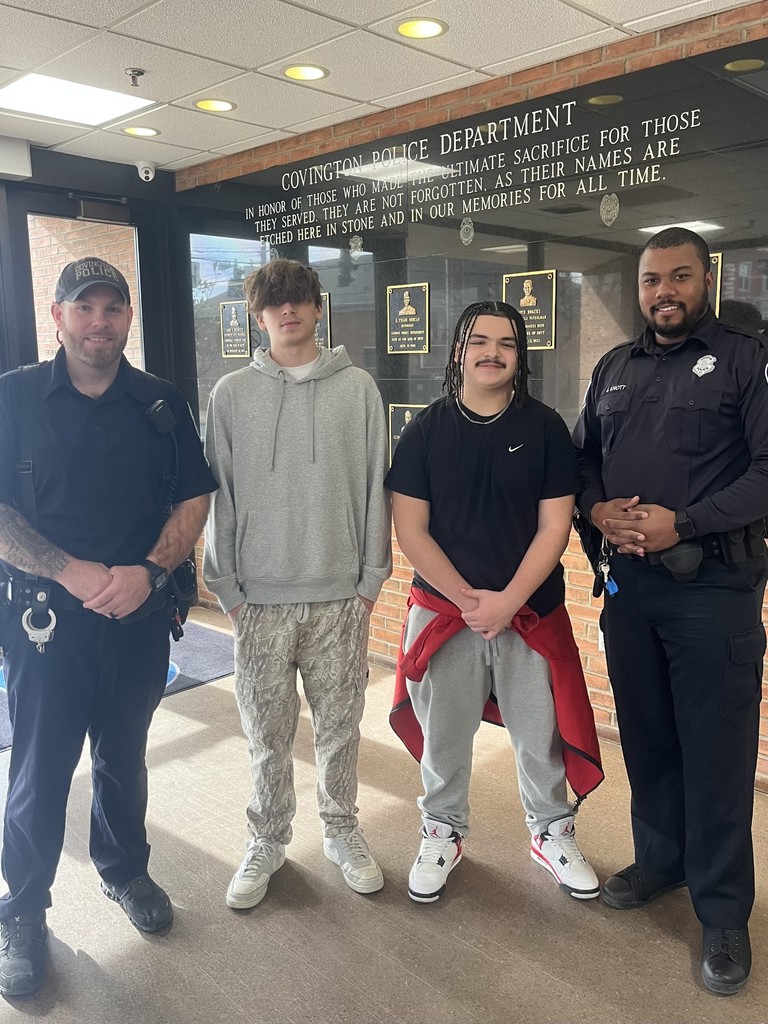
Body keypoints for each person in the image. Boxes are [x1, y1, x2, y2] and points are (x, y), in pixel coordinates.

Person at [0, 257, 216, 998]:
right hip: (45, 624)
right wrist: (70, 570)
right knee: (40, 765)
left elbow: (192, 498)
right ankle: (22, 911)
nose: (99, 321)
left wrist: (150, 573)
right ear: (57, 316)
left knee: (124, 755)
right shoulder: (14, 398)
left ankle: (124, 871)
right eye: (83, 307)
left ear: (128, 318)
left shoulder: (160, 403)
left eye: (112, 308)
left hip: (138, 619)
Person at [573, 226, 768, 996]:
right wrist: (596, 510)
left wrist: (682, 523)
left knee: (716, 755)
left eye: (680, 277)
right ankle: (660, 864)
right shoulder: (614, 367)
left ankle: (723, 912)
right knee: (647, 737)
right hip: (631, 590)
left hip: (713, 592)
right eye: (653, 280)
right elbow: (582, 457)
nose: (664, 292)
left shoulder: (746, 361)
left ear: (706, 279)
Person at [385, 300, 603, 905]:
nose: (492, 352)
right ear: (458, 350)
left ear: (520, 355)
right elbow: (412, 531)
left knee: (541, 735)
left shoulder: (544, 428)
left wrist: (506, 601)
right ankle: (442, 832)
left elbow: (555, 527)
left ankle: (550, 833)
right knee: (445, 735)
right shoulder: (425, 430)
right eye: (479, 340)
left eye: (506, 343)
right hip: (446, 612)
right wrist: (468, 600)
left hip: (529, 611)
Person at [204, 258, 391, 910]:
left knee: (341, 728)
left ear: (318, 307)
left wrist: (371, 580)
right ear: (259, 316)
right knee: (267, 735)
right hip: (258, 601)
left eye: (298, 300)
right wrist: (225, 585)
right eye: (274, 303)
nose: (288, 312)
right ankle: (268, 840)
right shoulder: (231, 395)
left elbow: (376, 488)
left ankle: (342, 832)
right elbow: (219, 496)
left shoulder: (358, 389)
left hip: (341, 595)